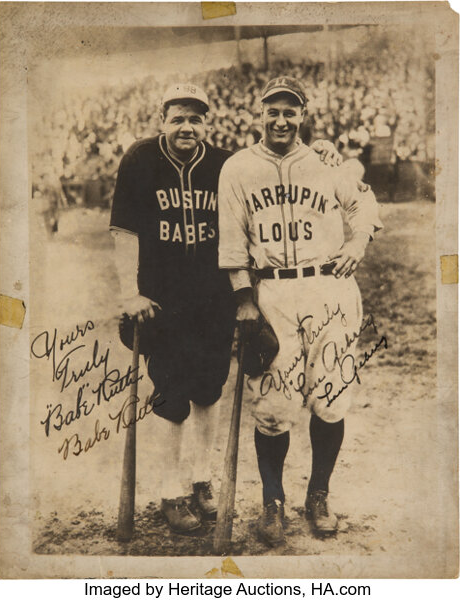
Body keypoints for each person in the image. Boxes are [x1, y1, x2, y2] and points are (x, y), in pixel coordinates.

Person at [110, 81, 343, 535]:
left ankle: (200, 481)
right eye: (178, 118)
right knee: (170, 396)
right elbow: (124, 231)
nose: (187, 127)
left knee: (210, 390)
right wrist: (129, 292)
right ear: (163, 120)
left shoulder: (221, 164)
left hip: (213, 298)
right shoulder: (140, 159)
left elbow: (273, 163)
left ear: (207, 124)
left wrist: (324, 148)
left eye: (196, 119)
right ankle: (170, 490)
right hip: (162, 299)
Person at [218, 76, 383, 547]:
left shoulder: (328, 163)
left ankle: (318, 494)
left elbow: (366, 205)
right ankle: (273, 501)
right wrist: (244, 299)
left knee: (330, 400)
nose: (281, 119)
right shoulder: (238, 168)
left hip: (330, 291)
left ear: (303, 117)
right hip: (272, 295)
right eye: (273, 110)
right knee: (272, 405)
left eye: (290, 111)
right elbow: (231, 242)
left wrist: (357, 242)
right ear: (259, 114)